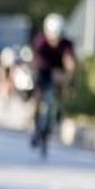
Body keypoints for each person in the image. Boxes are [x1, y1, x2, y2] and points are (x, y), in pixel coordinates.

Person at [30, 12, 76, 147]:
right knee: (38, 99)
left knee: (57, 96)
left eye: (57, 36)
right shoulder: (40, 41)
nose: (54, 40)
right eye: (52, 35)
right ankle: (36, 129)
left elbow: (70, 62)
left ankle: (55, 118)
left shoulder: (66, 44)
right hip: (42, 70)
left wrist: (67, 75)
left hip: (58, 72)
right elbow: (35, 59)